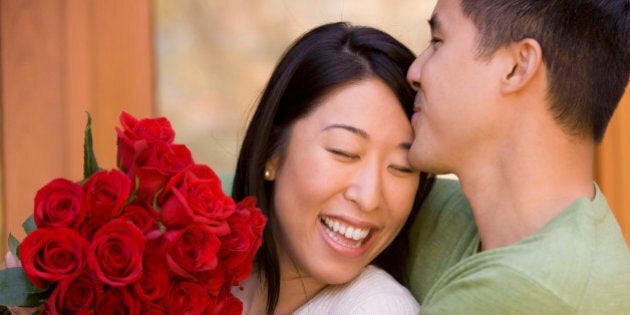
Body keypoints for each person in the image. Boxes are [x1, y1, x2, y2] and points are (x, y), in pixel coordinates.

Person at [404, 0, 630, 313]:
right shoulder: (430, 210)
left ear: (517, 67)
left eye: (438, 42)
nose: (414, 72)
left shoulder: (534, 289)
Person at [230, 22, 434, 314]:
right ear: (271, 153)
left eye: (402, 167)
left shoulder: (377, 307)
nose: (369, 197)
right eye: (345, 152)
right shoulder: (191, 274)